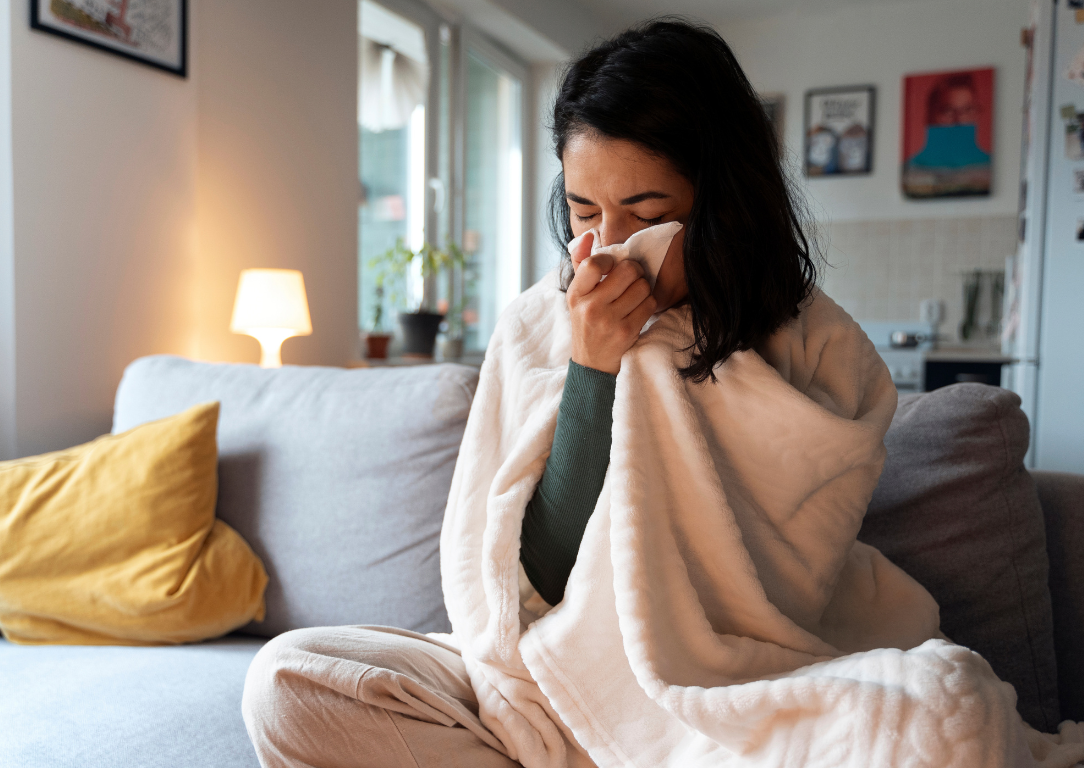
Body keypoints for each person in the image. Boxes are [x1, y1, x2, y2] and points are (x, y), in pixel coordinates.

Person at [241, 19, 884, 768]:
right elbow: (532, 584)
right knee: (290, 680)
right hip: (540, 673)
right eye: (584, 212)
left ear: (723, 202)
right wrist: (592, 369)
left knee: (935, 713)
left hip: (717, 693)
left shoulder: (815, 345)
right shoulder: (538, 324)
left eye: (647, 215)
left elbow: (784, 592)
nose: (607, 244)